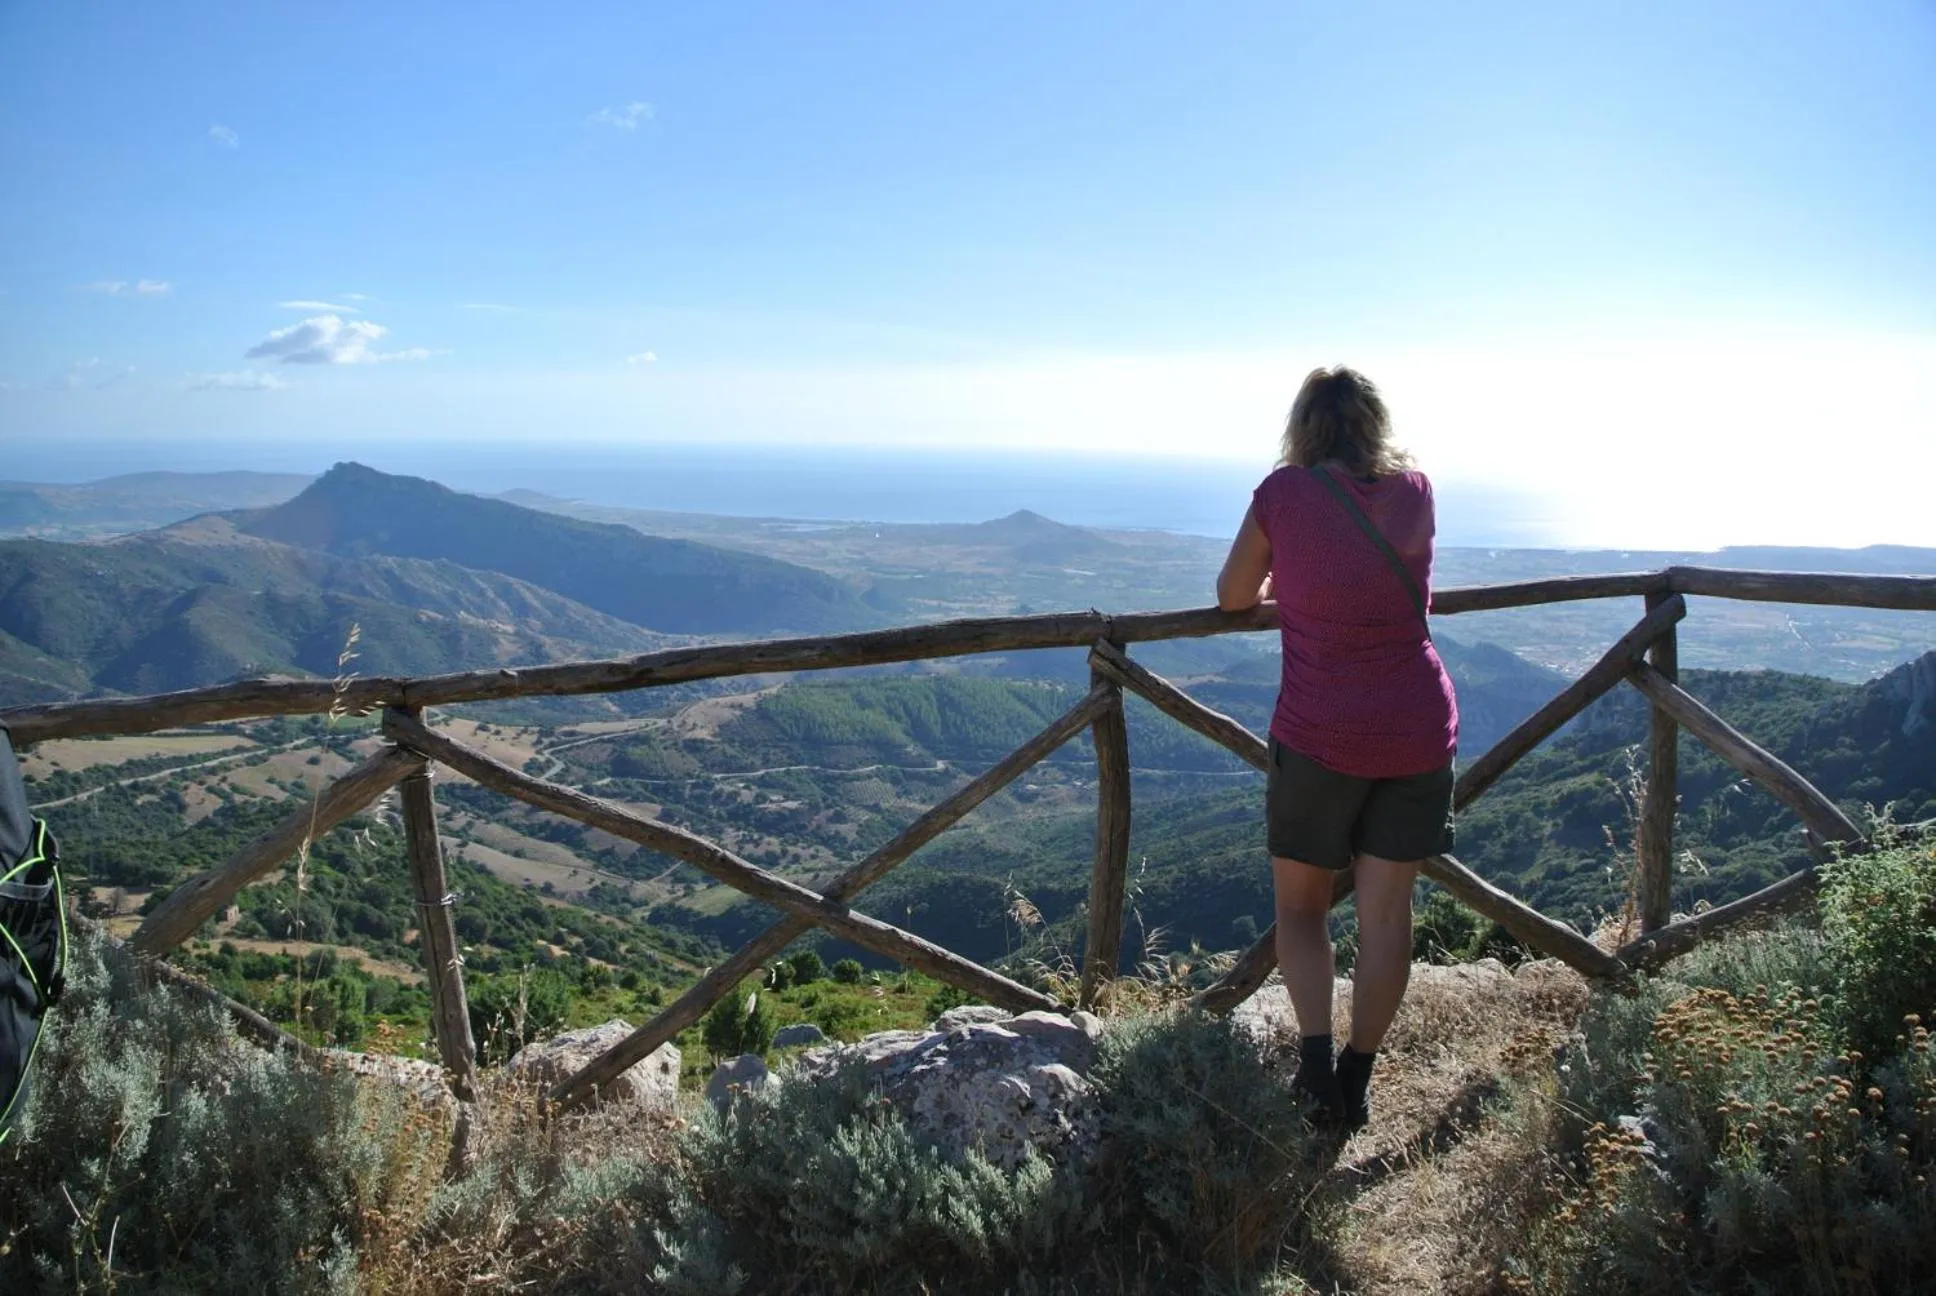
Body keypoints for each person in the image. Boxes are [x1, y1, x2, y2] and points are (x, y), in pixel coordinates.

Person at [1215, 366, 1458, 1133]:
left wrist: (1294, 584)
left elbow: (1231, 596)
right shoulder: (1415, 489)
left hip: (1320, 732)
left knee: (1301, 906)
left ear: (1304, 425)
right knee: (1388, 915)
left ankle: (1316, 1069)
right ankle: (1360, 1077)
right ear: (1374, 423)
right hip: (1418, 725)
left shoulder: (1283, 494)